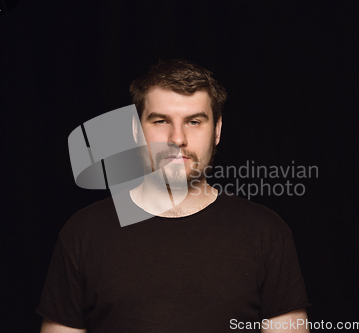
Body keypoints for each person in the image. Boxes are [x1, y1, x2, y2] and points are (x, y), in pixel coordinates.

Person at [36, 59, 311, 332]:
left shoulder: (266, 233)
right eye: (160, 120)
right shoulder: (83, 234)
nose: (177, 138)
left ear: (216, 130)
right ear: (135, 131)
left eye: (194, 121)